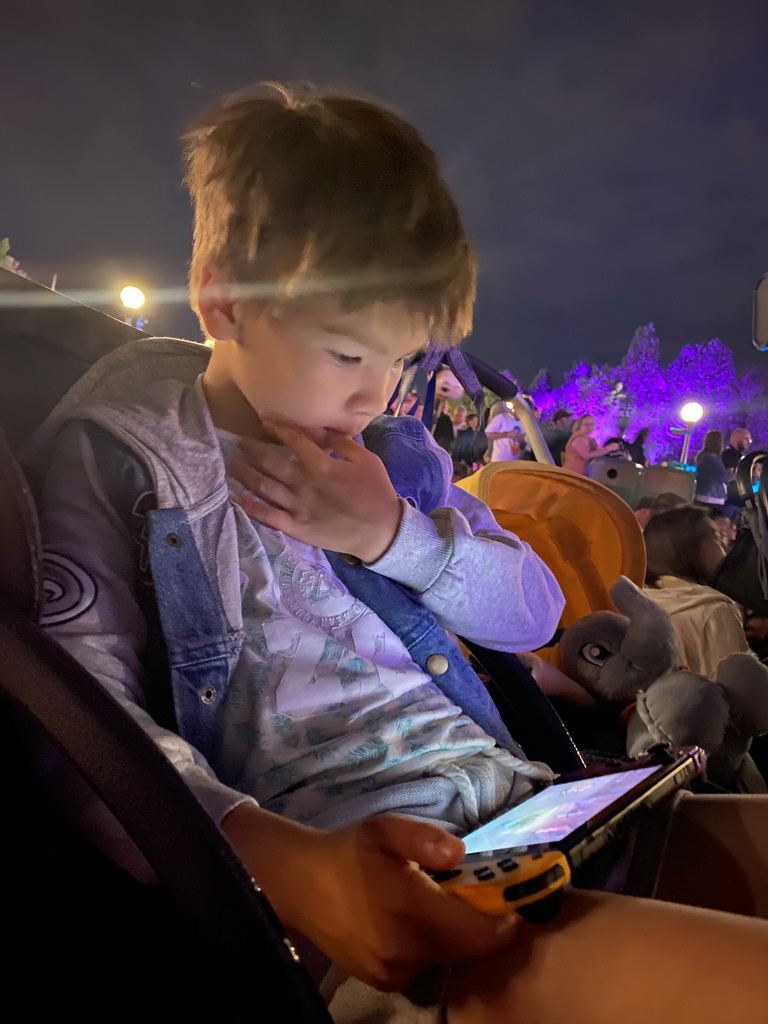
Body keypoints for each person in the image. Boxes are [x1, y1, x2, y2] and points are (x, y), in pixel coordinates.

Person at [24, 83, 768, 1024]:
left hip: (521, 813)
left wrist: (395, 536)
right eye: (346, 355)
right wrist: (281, 865)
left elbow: (535, 613)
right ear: (223, 300)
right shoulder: (125, 461)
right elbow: (82, 734)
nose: (376, 393)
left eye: (401, 361)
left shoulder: (394, 461)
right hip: (372, 888)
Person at [643, 506, 750, 678]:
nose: (726, 545)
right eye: (717, 537)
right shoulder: (712, 609)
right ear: (688, 547)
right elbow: (739, 690)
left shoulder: (637, 598)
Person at [694, 430, 730, 507]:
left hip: (702, 494)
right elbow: (723, 476)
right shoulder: (713, 458)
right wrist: (731, 473)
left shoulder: (703, 457)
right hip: (712, 497)